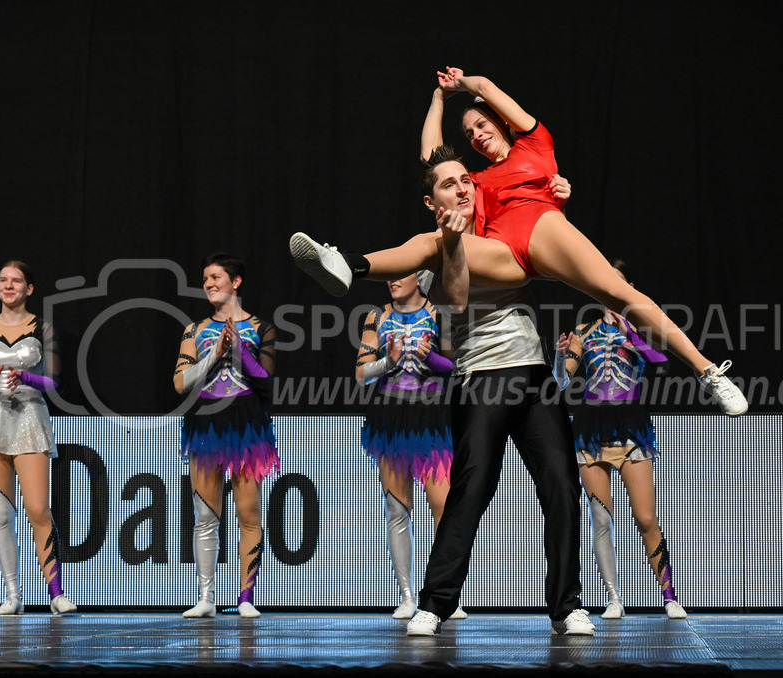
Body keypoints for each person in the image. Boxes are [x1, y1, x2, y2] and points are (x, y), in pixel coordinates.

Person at [290, 67, 746, 417]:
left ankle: (706, 371)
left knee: (618, 293)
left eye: (483, 126)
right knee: (434, 242)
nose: (477, 135)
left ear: (502, 123)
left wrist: (461, 85)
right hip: (506, 254)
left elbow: (486, 87)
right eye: (469, 133)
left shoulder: (535, 146)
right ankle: (348, 265)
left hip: (541, 229)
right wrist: (436, 100)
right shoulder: (476, 182)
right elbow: (431, 157)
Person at [404, 146, 594, 637]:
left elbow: (543, 238)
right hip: (481, 379)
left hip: (533, 375)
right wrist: (452, 239)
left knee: (561, 484)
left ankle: (566, 605)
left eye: (466, 179)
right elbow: (456, 297)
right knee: (470, 491)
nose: (463, 187)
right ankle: (435, 603)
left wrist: (556, 203)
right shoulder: (433, 250)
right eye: (448, 184)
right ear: (432, 203)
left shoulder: (501, 231)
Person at [554, 259, 687, 620]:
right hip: (591, 429)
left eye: (618, 283)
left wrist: (630, 331)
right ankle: (613, 597)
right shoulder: (584, 330)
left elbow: (660, 359)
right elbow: (561, 381)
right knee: (601, 519)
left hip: (631, 428)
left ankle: (670, 595)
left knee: (646, 517)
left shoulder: (642, 327)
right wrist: (558, 356)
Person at [0, 260, 77, 615]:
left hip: (28, 419)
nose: (8, 286)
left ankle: (56, 593)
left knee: (38, 508)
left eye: (16, 281)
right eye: (3, 280)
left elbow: (55, 382)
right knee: (0, 512)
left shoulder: (43, 328)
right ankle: (13, 593)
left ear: (29, 289)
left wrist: (26, 379)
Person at [174, 253, 278, 618]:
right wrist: (215, 353)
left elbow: (266, 381)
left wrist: (238, 351)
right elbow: (180, 382)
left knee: (248, 513)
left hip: (246, 425)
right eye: (205, 278)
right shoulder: (195, 330)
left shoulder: (261, 327)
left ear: (235, 282)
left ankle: (246, 596)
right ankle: (205, 597)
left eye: (216, 277)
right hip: (206, 425)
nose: (208, 283)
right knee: (206, 515)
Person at [356, 273, 465, 619]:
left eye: (400, 275)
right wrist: (389, 361)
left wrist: (430, 358)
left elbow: (456, 367)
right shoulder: (377, 316)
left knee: (444, 509)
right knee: (397, 509)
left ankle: (444, 594)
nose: (392, 281)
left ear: (420, 278)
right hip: (391, 419)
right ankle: (406, 595)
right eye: (391, 276)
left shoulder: (438, 314)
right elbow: (361, 373)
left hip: (431, 418)